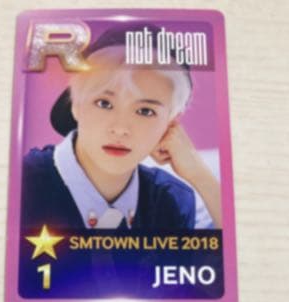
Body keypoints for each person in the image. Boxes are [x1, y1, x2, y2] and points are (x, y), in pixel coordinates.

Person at [23, 26, 221, 232]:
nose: (120, 129)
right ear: (76, 105)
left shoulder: (172, 200)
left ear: (170, 122)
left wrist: (199, 175)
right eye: (104, 103)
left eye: (145, 111)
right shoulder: (23, 182)